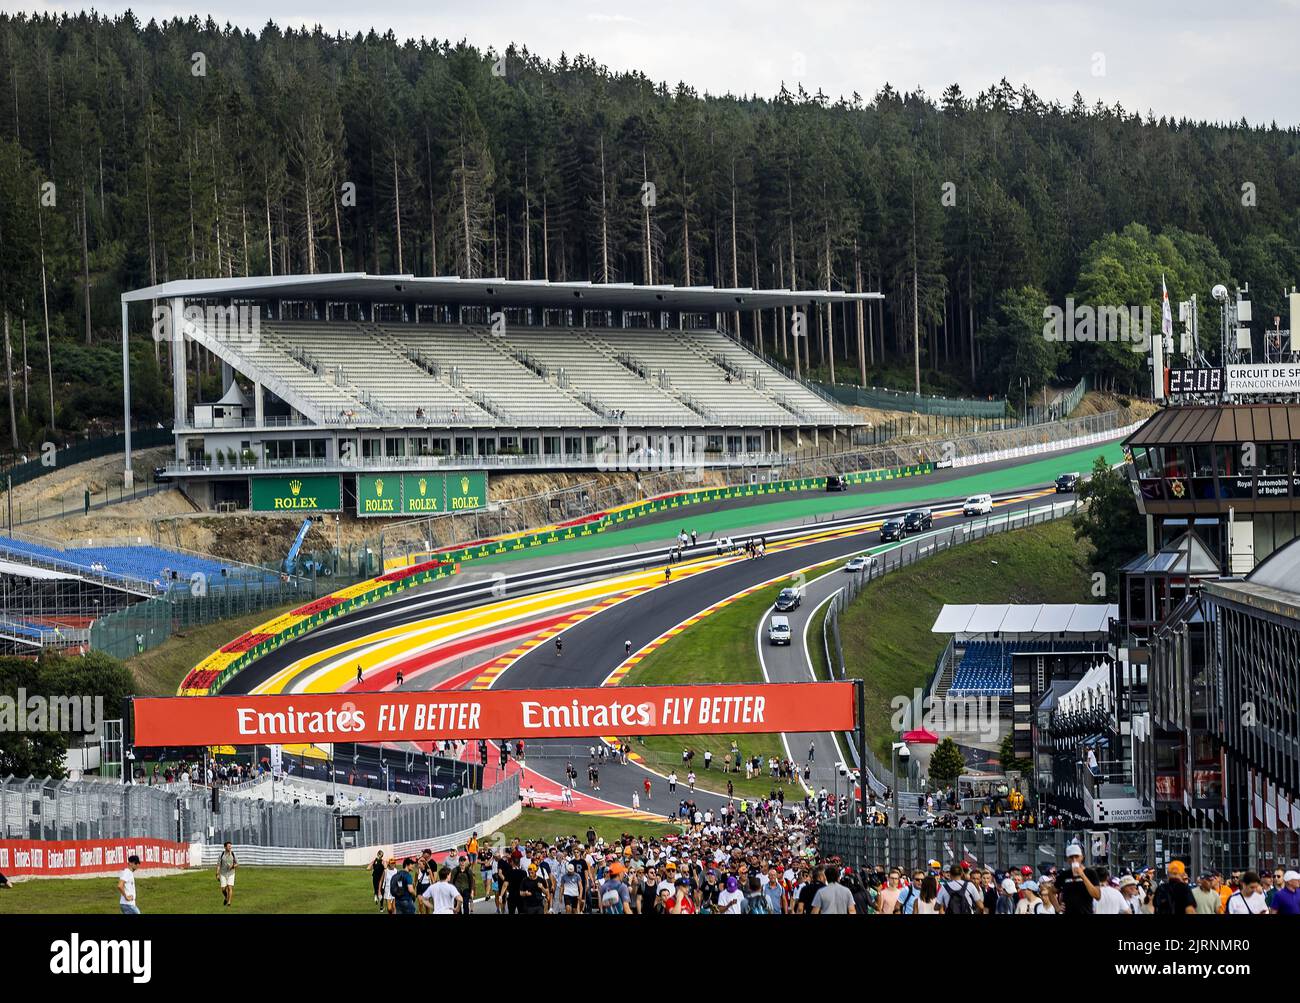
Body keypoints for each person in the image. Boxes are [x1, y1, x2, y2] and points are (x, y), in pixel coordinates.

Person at [1057, 843, 1101, 915]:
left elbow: (1097, 896)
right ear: (1067, 859)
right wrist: (1057, 907)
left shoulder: (1091, 873)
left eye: (1076, 857)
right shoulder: (1064, 874)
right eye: (1071, 857)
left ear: (1082, 857)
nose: (1074, 860)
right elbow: (1051, 891)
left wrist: (1082, 875)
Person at [216, 841, 238, 907]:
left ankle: (229, 902)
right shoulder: (221, 854)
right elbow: (218, 865)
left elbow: (237, 864)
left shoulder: (233, 854)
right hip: (223, 873)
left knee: (229, 887)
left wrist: (233, 866)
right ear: (225, 847)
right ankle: (226, 897)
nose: (230, 847)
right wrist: (217, 874)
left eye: (230, 846)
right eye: (229, 846)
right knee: (223, 889)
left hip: (231, 873)